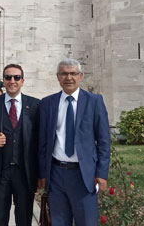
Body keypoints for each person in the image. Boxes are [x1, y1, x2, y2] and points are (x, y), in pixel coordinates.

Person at [38, 59, 111, 226]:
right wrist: (43, 174)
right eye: (64, 73)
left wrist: (101, 174)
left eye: (73, 73)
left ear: (80, 76)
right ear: (58, 77)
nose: (68, 77)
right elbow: (43, 142)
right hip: (56, 174)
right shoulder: (47, 103)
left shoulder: (94, 101)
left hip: (84, 176)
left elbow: (104, 141)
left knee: (86, 222)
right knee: (58, 222)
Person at [0, 65, 40, 226]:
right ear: (3, 81)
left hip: (25, 173)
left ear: (22, 81)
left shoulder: (35, 105)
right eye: (8, 77)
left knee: (24, 220)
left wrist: (41, 174)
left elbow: (40, 141)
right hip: (0, 172)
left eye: (16, 77)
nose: (12, 81)